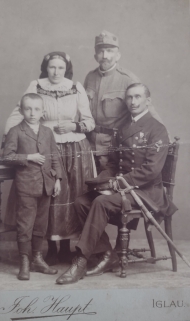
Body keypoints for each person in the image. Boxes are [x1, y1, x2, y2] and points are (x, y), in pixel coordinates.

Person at [56, 83, 178, 285]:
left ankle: (80, 260)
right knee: (82, 201)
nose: (133, 102)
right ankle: (106, 254)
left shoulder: (157, 129)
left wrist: (114, 185)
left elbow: (151, 170)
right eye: (129, 97)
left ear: (148, 101)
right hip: (124, 188)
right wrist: (102, 182)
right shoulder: (123, 128)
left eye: (138, 97)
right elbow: (113, 163)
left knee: (100, 203)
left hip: (147, 192)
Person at [1, 51, 95, 264]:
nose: (56, 72)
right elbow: (18, 114)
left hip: (75, 150)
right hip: (44, 147)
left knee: (72, 198)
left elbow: (89, 121)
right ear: (46, 68)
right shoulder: (36, 85)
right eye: (52, 67)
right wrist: (9, 138)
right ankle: (50, 248)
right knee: (49, 199)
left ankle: (67, 248)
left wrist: (74, 125)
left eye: (61, 68)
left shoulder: (75, 87)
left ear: (67, 70)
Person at [84, 30, 163, 173]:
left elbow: (147, 109)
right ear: (95, 56)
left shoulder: (128, 79)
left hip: (115, 145)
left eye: (109, 51)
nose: (105, 56)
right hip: (90, 144)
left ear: (118, 55)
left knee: (109, 187)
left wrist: (163, 137)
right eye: (101, 51)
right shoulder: (90, 77)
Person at [3, 93, 62, 280]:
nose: (32, 113)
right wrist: (28, 157)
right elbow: (7, 156)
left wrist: (58, 179)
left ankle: (37, 259)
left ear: (43, 111)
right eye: (27, 109)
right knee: (25, 225)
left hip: (47, 185)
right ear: (21, 110)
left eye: (36, 109)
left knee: (40, 225)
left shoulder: (47, 132)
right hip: (26, 186)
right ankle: (25, 262)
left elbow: (55, 156)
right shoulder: (15, 131)